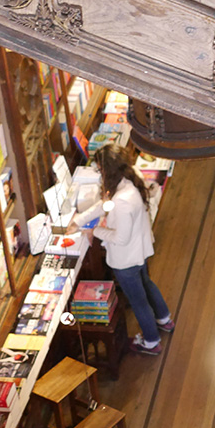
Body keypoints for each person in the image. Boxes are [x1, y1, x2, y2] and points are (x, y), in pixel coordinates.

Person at [70, 145, 173, 356]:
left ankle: (151, 342)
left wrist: (95, 231)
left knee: (138, 301)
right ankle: (164, 319)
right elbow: (104, 205)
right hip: (140, 249)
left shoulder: (122, 202)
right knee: (146, 283)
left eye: (100, 170)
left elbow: (120, 237)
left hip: (127, 259)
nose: (99, 174)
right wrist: (80, 220)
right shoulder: (129, 179)